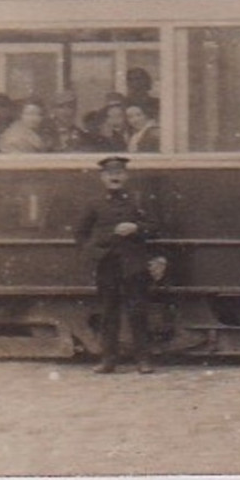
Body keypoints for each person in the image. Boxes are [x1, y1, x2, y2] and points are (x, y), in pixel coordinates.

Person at [75, 156, 157, 374]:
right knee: (108, 312)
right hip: (107, 265)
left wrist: (136, 228)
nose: (115, 178)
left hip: (134, 264)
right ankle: (108, 361)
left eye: (119, 173)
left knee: (137, 312)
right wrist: (95, 253)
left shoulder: (137, 201)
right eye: (110, 175)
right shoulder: (94, 203)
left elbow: (154, 227)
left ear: (126, 176)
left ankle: (144, 360)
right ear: (103, 178)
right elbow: (80, 234)